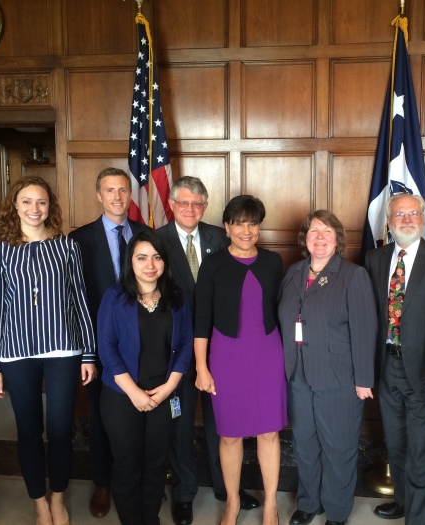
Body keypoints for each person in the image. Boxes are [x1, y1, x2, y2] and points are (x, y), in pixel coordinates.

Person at [0, 176, 96, 525]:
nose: (35, 209)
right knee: (28, 429)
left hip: (63, 350)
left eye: (42, 202)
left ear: (51, 206)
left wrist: (89, 353)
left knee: (61, 429)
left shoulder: (67, 248)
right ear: (14, 206)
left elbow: (80, 299)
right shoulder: (0, 252)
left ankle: (58, 497)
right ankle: (38, 502)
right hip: (16, 352)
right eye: (27, 201)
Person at [154, 177, 260, 525]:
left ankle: (224, 488)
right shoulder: (157, 240)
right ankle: (184, 493)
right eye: (183, 202)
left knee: (224, 424)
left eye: (197, 203)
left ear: (205, 206)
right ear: (171, 204)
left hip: (223, 348)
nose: (190, 209)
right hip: (176, 348)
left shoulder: (221, 236)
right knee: (180, 423)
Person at [364, 193, 425, 524]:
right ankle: (403, 503)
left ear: (423, 218)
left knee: (422, 450)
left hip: (423, 373)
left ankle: (416, 519)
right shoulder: (374, 259)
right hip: (386, 366)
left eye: (413, 214)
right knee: (398, 443)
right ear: (389, 224)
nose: (406, 219)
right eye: (399, 215)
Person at [278, 210, 377, 525]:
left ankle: (336, 511)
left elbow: (365, 330)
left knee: (339, 448)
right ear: (304, 238)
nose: (319, 237)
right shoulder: (292, 273)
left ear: (338, 239)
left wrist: (363, 379)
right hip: (297, 375)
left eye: (327, 231)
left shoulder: (352, 275)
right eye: (313, 231)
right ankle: (309, 503)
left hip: (339, 378)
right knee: (304, 444)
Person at [194, 195, 286, 525]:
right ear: (227, 226)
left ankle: (271, 503)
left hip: (267, 355)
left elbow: (282, 310)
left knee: (268, 433)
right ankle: (232, 502)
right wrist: (202, 367)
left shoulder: (273, 262)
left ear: (259, 225)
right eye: (238, 222)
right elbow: (201, 318)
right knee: (229, 434)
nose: (245, 230)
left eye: (252, 222)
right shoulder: (213, 264)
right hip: (225, 357)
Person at [68, 166, 150, 517]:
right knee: (103, 417)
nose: (117, 197)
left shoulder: (146, 234)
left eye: (123, 190)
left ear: (130, 195)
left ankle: (142, 481)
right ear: (99, 196)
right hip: (100, 345)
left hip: (145, 344)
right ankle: (103, 482)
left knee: (144, 410)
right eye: (110, 191)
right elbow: (74, 296)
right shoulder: (79, 239)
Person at [97, 231, 193, 525]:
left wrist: (169, 387)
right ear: (131, 262)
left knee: (154, 464)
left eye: (157, 256)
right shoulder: (114, 297)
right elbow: (107, 348)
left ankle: (150, 518)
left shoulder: (177, 297)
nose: (150, 264)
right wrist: (135, 394)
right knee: (127, 464)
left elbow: (187, 343)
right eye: (141, 257)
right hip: (122, 397)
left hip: (163, 395)